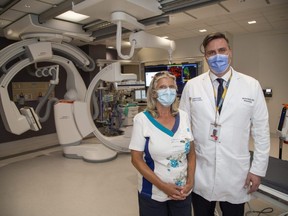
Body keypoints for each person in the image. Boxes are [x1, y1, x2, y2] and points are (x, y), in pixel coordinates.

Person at [179, 32, 270, 216]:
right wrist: (184, 169)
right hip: (200, 171)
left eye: (222, 50)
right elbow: (183, 130)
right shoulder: (192, 86)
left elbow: (261, 132)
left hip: (235, 173)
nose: (217, 56)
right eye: (211, 52)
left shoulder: (251, 85)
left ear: (230, 52)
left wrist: (258, 170)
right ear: (206, 56)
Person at [129, 71, 196, 216]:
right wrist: (164, 187)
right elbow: (136, 159)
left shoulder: (183, 116)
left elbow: (191, 153)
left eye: (172, 87)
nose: (168, 91)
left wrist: (190, 182)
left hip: (182, 191)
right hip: (153, 193)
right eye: (162, 87)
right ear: (153, 93)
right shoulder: (142, 120)